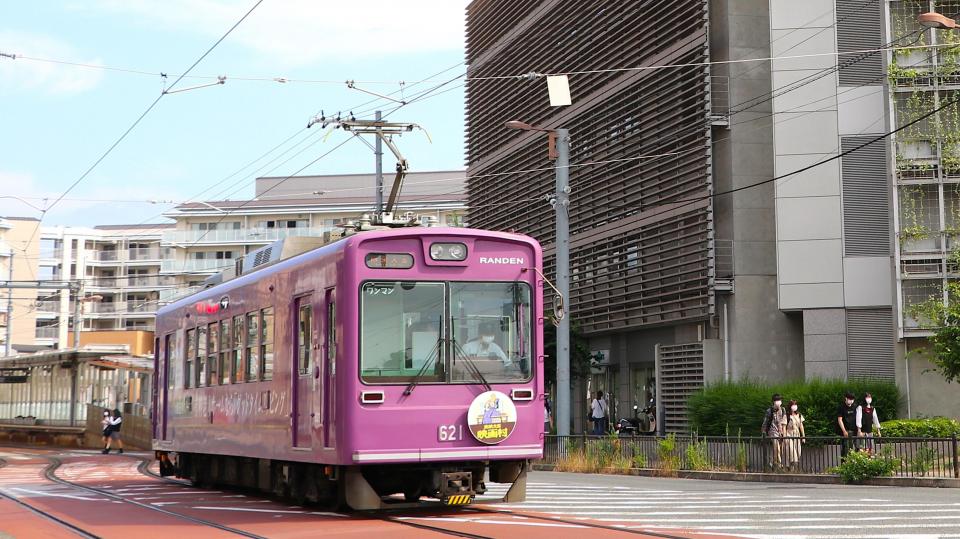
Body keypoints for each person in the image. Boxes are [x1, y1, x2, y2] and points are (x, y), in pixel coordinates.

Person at [761, 393, 786, 471]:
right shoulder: (769, 410)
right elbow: (765, 422)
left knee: (777, 449)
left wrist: (783, 433)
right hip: (772, 431)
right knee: (777, 447)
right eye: (777, 400)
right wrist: (763, 432)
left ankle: (773, 463)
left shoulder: (783, 409)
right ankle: (780, 464)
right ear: (773, 401)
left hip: (780, 431)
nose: (779, 401)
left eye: (780, 400)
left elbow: (784, 422)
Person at [783, 400, 806, 472]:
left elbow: (801, 426)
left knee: (798, 452)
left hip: (797, 435)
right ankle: (792, 468)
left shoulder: (799, 415)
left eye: (795, 405)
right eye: (793, 405)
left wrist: (803, 436)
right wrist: (784, 437)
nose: (794, 406)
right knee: (791, 451)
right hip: (788, 434)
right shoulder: (786, 415)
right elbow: (784, 427)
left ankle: (790, 467)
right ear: (790, 406)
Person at [837, 391, 858, 460]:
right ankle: (844, 466)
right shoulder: (841, 407)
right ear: (845, 398)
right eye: (849, 399)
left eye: (852, 399)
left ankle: (854, 465)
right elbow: (840, 419)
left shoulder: (855, 406)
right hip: (845, 431)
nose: (851, 401)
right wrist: (844, 431)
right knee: (845, 449)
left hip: (854, 431)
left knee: (856, 449)